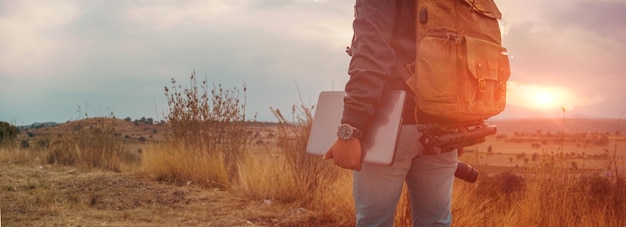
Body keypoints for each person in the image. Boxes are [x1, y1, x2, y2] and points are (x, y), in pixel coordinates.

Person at [323, 1, 458, 226]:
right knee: (436, 222)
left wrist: (350, 128)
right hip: (445, 125)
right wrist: (459, 122)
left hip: (391, 125)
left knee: (374, 222)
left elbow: (371, 54)